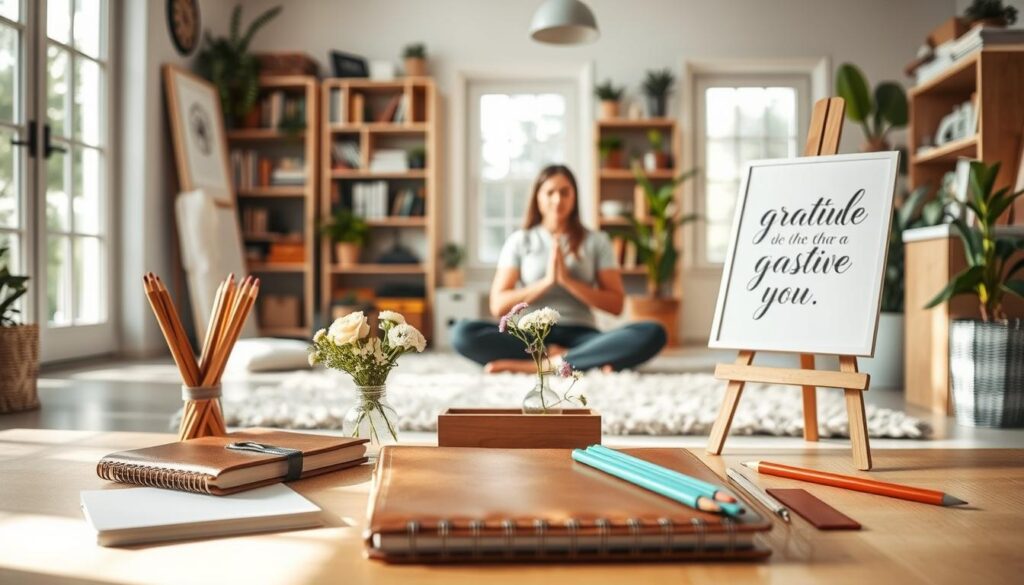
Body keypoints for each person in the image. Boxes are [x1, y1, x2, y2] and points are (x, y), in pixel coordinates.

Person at [451, 164, 667, 373]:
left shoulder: (597, 241)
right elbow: (498, 305)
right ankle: (576, 360)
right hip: (531, 336)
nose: (557, 199)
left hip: (581, 335)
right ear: (538, 197)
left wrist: (567, 281)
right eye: (550, 192)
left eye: (565, 192)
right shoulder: (520, 240)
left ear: (574, 197)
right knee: (462, 332)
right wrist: (547, 282)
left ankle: (544, 364)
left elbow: (616, 304)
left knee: (653, 332)